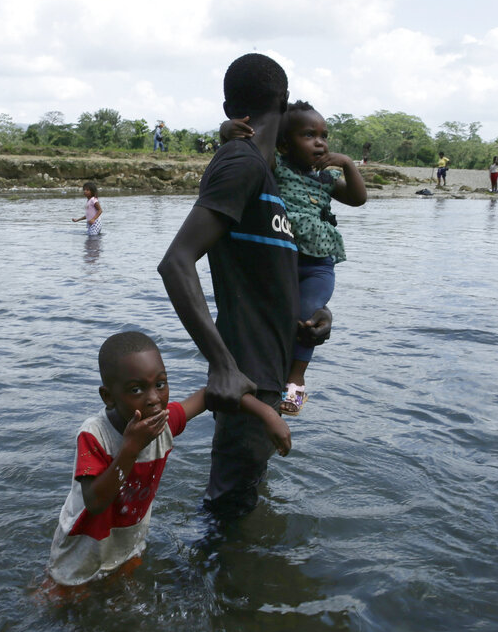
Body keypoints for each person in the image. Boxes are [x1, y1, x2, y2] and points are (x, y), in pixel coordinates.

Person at [157, 53, 332, 519]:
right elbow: (176, 262)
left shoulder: (274, 177)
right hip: (246, 377)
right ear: (284, 100)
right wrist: (222, 365)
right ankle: (213, 588)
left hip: (271, 374)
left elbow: (272, 277)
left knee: (241, 502)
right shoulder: (242, 161)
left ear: (231, 105)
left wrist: (317, 318)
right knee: (227, 514)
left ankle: (237, 584)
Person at [46, 331, 289, 587]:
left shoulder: (164, 423)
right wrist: (131, 447)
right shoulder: (94, 435)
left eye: (160, 384)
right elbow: (95, 502)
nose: (153, 399)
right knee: (66, 608)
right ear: (108, 396)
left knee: (120, 597)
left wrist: (267, 414)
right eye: (136, 389)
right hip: (81, 550)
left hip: (127, 544)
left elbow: (211, 394)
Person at [221, 100, 366, 415]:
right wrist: (226, 132)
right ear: (284, 144)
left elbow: (358, 198)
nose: (320, 142)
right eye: (309, 135)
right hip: (284, 262)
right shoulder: (276, 168)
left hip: (318, 267)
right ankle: (269, 379)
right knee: (281, 317)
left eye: (324, 136)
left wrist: (348, 164)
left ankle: (297, 380)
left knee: (306, 317)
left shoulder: (325, 180)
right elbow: (248, 152)